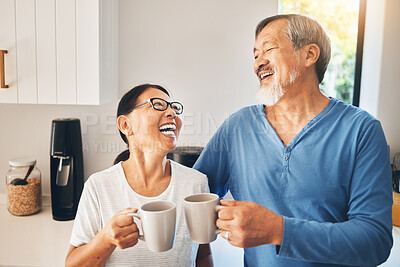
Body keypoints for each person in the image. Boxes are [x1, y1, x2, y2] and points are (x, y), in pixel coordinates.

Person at [194, 14, 393, 266]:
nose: (258, 63)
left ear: (309, 55)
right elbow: (193, 195)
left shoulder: (362, 130)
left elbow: (375, 241)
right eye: (255, 55)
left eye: (269, 49)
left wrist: (278, 230)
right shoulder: (237, 126)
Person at [66, 84, 213, 266]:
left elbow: (203, 256)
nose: (172, 113)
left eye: (174, 107)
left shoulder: (195, 183)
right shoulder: (98, 186)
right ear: (126, 125)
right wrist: (106, 239)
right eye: (158, 105)